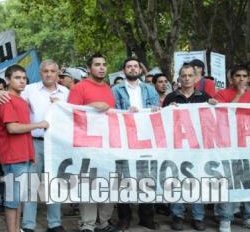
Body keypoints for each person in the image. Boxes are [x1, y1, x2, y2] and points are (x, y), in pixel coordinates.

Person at [0, 64, 49, 232]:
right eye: (17, 78)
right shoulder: (5, 100)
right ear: (8, 80)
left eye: (24, 78)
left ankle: (17, 229)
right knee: (12, 199)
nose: (22, 81)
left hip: (24, 155)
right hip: (12, 156)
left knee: (19, 198)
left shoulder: (21, 100)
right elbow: (12, 128)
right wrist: (39, 124)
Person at [213, 66, 250, 232]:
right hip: (227, 144)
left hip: (248, 144)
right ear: (231, 78)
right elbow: (223, 115)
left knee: (248, 180)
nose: (242, 79)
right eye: (238, 76)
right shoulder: (221, 94)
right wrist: (239, 95)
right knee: (228, 180)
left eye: (245, 76)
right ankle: (225, 218)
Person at [68, 53, 117, 232]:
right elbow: (70, 114)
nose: (102, 67)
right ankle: (87, 224)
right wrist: (91, 107)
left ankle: (104, 222)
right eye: (97, 64)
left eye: (104, 64)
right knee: (88, 183)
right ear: (89, 68)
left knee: (108, 182)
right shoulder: (79, 88)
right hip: (86, 146)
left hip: (108, 144)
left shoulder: (108, 89)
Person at [20, 60, 69, 232]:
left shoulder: (66, 92)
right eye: (45, 71)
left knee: (54, 183)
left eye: (52, 71)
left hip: (57, 144)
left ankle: (54, 223)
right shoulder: (29, 90)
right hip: (35, 142)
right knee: (32, 183)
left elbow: (72, 118)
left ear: (58, 73)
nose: (49, 74)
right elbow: (14, 103)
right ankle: (28, 225)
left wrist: (60, 106)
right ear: (40, 73)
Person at [111, 57, 159, 230]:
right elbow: (112, 113)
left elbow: (157, 112)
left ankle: (147, 217)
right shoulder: (116, 89)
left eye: (135, 66)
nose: (132, 69)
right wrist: (125, 113)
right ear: (123, 71)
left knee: (146, 176)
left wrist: (155, 111)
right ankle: (124, 218)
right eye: (129, 66)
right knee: (123, 177)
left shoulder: (149, 89)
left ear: (140, 69)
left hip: (145, 138)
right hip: (124, 138)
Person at [163, 64, 212, 231]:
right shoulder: (170, 98)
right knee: (177, 180)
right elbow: (162, 122)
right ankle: (177, 215)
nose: (187, 78)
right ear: (179, 77)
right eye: (183, 75)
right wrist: (168, 111)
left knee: (197, 179)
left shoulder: (204, 97)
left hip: (198, 147)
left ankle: (198, 217)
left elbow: (212, 120)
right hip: (176, 146)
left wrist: (214, 106)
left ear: (195, 78)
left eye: (190, 75)